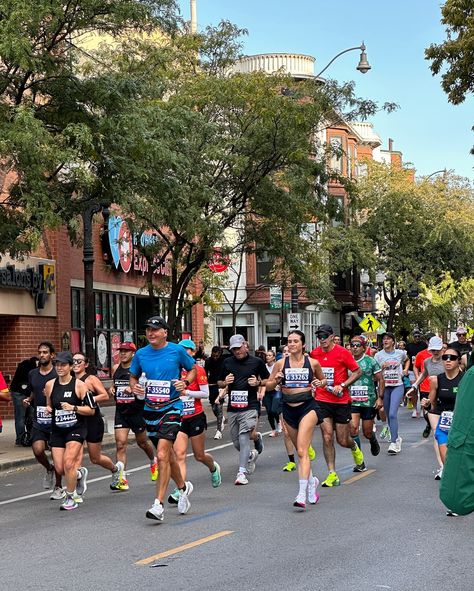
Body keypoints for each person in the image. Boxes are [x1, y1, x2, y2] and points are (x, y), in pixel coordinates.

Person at [130, 316, 196, 522]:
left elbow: (193, 369)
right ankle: (183, 488)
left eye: (155, 330)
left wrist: (184, 382)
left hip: (172, 408)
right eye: (148, 330)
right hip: (150, 410)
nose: (151, 333)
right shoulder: (140, 354)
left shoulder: (176, 351)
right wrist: (134, 386)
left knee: (161, 454)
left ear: (165, 332)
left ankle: (158, 505)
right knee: (168, 457)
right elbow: (133, 376)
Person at [267, 330, 324, 509]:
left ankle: (301, 494)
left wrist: (318, 383)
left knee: (301, 450)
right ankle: (312, 481)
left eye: (295, 341)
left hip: (308, 407)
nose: (291, 344)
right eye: (289, 341)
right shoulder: (280, 363)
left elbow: (323, 381)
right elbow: (268, 386)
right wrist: (276, 381)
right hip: (288, 409)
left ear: (303, 344)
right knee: (303, 452)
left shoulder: (312, 363)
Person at [309, 324, 363, 487]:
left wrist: (343, 385)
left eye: (325, 336)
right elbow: (311, 373)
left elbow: (357, 371)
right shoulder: (314, 353)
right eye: (319, 336)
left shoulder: (343, 353)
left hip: (340, 400)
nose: (322, 339)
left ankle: (353, 447)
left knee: (342, 440)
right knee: (327, 436)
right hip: (322, 399)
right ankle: (332, 473)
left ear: (332, 336)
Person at [169, 339, 221, 504]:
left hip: (196, 416)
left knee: (199, 455)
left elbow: (205, 394)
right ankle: (181, 488)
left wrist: (188, 392)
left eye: (186, 350)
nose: (183, 352)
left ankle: (213, 467)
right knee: (180, 454)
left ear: (192, 352)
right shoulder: (174, 369)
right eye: (180, 350)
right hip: (179, 417)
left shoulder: (197, 370)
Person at [44, 352, 95, 510]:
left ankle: (71, 497)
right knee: (60, 468)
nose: (59, 368)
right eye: (57, 364)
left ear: (71, 367)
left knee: (68, 463)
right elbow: (50, 404)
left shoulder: (79, 385)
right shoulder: (50, 384)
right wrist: (48, 409)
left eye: (63, 365)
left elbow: (91, 410)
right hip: (57, 429)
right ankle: (79, 475)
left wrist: (73, 407)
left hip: (76, 428)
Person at [217, 334, 269, 485]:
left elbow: (267, 379)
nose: (237, 352)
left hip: (250, 406)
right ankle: (252, 452)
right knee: (236, 443)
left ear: (245, 345)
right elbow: (219, 382)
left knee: (244, 437)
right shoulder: (227, 362)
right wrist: (224, 382)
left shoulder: (256, 361)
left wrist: (258, 382)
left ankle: (242, 472)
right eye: (233, 349)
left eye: (239, 348)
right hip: (233, 407)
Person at [72, 352, 124, 496]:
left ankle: (115, 470)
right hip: (77, 420)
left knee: (95, 458)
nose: (75, 363)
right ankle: (77, 481)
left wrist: (88, 398)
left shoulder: (90, 379)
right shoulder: (68, 380)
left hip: (92, 420)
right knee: (75, 453)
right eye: (73, 361)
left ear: (86, 364)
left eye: (79, 361)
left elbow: (105, 395)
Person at [109, 341, 157, 490]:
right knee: (120, 444)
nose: (122, 354)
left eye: (126, 351)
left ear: (133, 353)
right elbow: (115, 383)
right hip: (121, 412)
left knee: (142, 442)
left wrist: (134, 390)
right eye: (121, 351)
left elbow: (146, 389)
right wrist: (112, 388)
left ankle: (153, 460)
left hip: (137, 412)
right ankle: (121, 478)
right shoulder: (116, 368)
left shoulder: (139, 370)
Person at [24, 342, 64, 499]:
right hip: (39, 419)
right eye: (40, 352)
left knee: (57, 454)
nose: (42, 355)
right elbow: (33, 391)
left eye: (45, 352)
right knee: (38, 450)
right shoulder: (33, 373)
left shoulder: (57, 373)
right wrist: (29, 399)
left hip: (56, 419)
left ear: (52, 355)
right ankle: (49, 468)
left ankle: (59, 486)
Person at [408, 336, 446, 478]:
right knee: (437, 433)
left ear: (442, 348)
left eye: (437, 350)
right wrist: (414, 386)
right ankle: (442, 466)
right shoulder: (427, 361)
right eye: (433, 350)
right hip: (432, 398)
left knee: (448, 432)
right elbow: (424, 374)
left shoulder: (448, 360)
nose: (435, 353)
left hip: (448, 400)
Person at [422, 348, 463, 474]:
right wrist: (427, 405)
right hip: (443, 420)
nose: (448, 361)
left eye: (452, 358)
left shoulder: (466, 379)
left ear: (459, 361)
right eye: (445, 358)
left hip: (461, 422)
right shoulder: (436, 380)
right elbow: (432, 406)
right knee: (448, 465)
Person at [349, 336, 384, 463]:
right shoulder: (346, 360)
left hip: (368, 400)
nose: (355, 348)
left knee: (367, 432)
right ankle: (359, 460)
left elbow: (380, 379)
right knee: (353, 429)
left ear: (364, 348)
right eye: (352, 345)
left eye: (358, 345)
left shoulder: (371, 361)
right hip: (352, 400)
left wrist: (380, 398)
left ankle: (372, 440)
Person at [375, 332, 409, 454]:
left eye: (388, 339)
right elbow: (375, 374)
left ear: (393, 341)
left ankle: (394, 442)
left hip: (397, 386)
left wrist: (405, 369)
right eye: (384, 339)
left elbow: (407, 360)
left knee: (393, 414)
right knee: (388, 415)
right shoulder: (378, 356)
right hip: (385, 387)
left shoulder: (400, 353)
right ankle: (397, 437)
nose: (385, 341)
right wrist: (382, 368)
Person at [9, 356, 38, 445]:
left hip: (26, 392)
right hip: (19, 392)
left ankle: (28, 437)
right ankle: (21, 438)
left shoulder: (29, 366)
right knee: (21, 416)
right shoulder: (27, 367)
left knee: (28, 415)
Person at [204, 346, 226, 439]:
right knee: (214, 407)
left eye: (217, 355)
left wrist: (227, 347)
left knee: (219, 406)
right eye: (214, 355)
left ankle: (218, 431)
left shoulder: (224, 360)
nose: (215, 357)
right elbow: (205, 372)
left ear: (220, 354)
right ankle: (221, 419)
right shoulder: (208, 361)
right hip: (211, 384)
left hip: (221, 385)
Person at [406, 329, 428, 418]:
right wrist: (406, 369)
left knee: (423, 391)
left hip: (423, 370)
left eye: (419, 336)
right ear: (413, 337)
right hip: (412, 370)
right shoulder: (409, 346)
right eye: (415, 336)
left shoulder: (424, 345)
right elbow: (406, 358)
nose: (417, 338)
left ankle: (423, 409)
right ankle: (415, 409)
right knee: (414, 390)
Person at [262, 350, 281, 437]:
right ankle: (273, 429)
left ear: (274, 357)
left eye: (270, 355)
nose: (267, 357)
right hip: (266, 390)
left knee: (274, 410)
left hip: (275, 390)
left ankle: (278, 422)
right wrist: (260, 392)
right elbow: (261, 380)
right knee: (269, 411)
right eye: (267, 355)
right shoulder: (263, 367)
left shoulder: (276, 366)